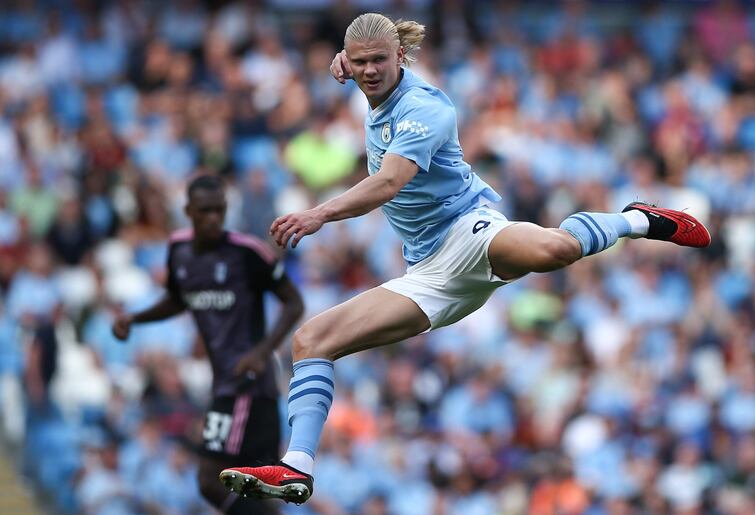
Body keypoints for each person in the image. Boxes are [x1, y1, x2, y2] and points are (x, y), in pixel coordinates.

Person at [219, 13, 710, 505]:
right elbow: (358, 61)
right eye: (360, 62)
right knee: (311, 340)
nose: (369, 70)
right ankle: (297, 467)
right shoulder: (364, 73)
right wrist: (345, 63)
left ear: (401, 57)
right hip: (427, 272)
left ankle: (637, 219)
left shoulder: (425, 107)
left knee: (554, 249)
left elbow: (389, 182)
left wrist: (319, 213)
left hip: (468, 231)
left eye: (379, 61)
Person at [112, 174, 304, 515]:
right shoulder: (179, 251)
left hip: (246, 383)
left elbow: (294, 302)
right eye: (205, 211)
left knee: (212, 480)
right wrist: (135, 318)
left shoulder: (247, 253)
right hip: (227, 383)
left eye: (219, 210)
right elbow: (178, 299)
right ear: (188, 211)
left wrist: (262, 351)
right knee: (258, 491)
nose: (213, 218)